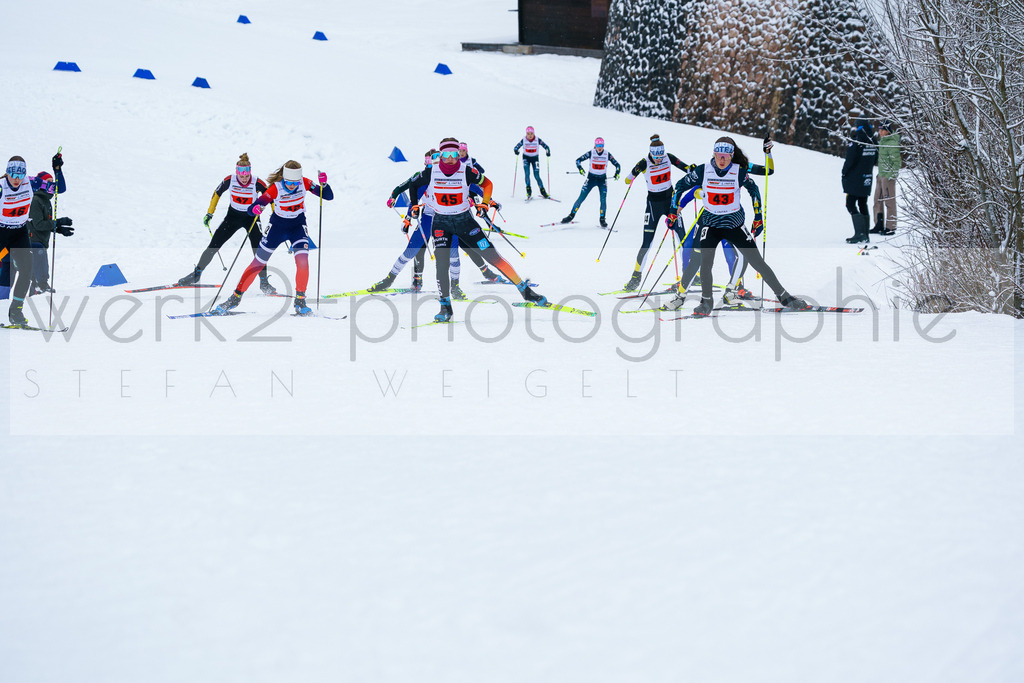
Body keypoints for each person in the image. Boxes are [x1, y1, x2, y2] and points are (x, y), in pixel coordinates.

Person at [659, 137, 808, 316]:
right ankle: (706, 303)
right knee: (704, 263)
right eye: (719, 155)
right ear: (713, 154)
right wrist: (674, 211)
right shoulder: (702, 171)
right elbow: (680, 186)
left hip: (734, 224)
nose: (722, 160)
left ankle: (785, 297)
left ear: (731, 156)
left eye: (726, 156)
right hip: (710, 224)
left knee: (757, 262)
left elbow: (755, 188)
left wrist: (758, 216)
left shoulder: (739, 171)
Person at [409, 137, 546, 322]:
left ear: (459, 154)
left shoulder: (466, 171)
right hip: (441, 223)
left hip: (465, 221)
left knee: (493, 257)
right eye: (445, 154)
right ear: (440, 155)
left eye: (454, 154)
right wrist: (414, 205)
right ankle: (445, 307)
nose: (450, 158)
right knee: (441, 265)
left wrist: (485, 203)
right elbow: (413, 184)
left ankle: (526, 291)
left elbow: (487, 184)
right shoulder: (430, 172)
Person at [376, 149, 504, 297]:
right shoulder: (425, 177)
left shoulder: (453, 176)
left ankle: (455, 287)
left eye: (436, 162)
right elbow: (413, 196)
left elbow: (474, 187)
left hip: (448, 219)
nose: (434, 165)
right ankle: (390, 280)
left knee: (454, 254)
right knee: (412, 251)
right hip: (428, 218)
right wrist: (407, 218)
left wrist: (490, 201)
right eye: (430, 162)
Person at [214, 161, 332, 316]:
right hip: (277, 228)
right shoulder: (276, 188)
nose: (292, 186)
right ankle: (235, 297)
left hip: (297, 227)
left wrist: (324, 185)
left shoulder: (305, 183)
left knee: (303, 262)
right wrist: (256, 208)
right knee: (257, 263)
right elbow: (254, 207)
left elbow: (328, 196)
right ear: (284, 178)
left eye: (295, 182)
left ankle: (300, 301)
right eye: (289, 182)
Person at [176, 154, 277, 293]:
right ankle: (196, 274)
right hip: (233, 217)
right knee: (214, 244)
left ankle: (264, 282)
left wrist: (275, 216)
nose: (244, 179)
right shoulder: (230, 180)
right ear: (237, 173)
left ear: (250, 173)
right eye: (241, 176)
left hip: (251, 218)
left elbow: (271, 197)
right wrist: (210, 213)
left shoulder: (257, 182)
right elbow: (217, 193)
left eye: (247, 176)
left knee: (258, 250)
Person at [621, 134, 694, 291]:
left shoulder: (669, 157)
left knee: (683, 238)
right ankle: (635, 278)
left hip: (671, 203)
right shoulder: (644, 162)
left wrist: (691, 169)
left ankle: (690, 275)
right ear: (651, 154)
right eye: (657, 157)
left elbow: (685, 168)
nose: (660, 159)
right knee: (647, 242)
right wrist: (634, 172)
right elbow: (628, 179)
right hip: (653, 205)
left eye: (661, 156)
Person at [0, 156, 38, 324]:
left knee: (26, 269)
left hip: (19, 233)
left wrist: (57, 170)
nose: (16, 179)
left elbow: (60, 188)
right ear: (7, 172)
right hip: (1, 232)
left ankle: (16, 312)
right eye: (13, 174)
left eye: (20, 174)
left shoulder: (29, 182)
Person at [26, 170, 74, 295]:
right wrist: (57, 222)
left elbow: (45, 223)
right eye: (48, 181)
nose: (51, 184)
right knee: (39, 266)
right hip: (34, 240)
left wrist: (59, 229)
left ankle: (37, 288)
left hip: (41, 239)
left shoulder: (45, 200)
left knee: (41, 265)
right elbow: (38, 224)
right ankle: (39, 286)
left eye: (52, 182)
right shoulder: (36, 200)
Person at [561, 137, 621, 227]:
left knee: (603, 200)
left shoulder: (607, 154)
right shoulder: (591, 152)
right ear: (595, 145)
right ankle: (571, 215)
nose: (600, 147)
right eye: (598, 145)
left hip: (602, 180)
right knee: (581, 197)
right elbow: (578, 160)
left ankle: (602, 219)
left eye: (601, 145)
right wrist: (580, 169)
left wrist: (617, 173)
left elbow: (617, 165)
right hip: (591, 179)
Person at [842, 118, 877, 244]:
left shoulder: (857, 140)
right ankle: (865, 234)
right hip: (866, 177)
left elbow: (850, 160)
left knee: (850, 204)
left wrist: (844, 172)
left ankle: (860, 233)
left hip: (854, 178)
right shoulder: (873, 140)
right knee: (863, 203)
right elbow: (875, 159)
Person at [871, 121, 900, 236]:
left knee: (889, 201)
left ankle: (890, 227)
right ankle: (878, 224)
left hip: (888, 177)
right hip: (881, 175)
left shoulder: (892, 144)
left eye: (882, 130)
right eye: (879, 129)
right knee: (877, 200)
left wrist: (890, 176)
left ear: (888, 131)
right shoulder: (882, 142)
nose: (880, 132)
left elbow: (896, 162)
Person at [512, 126, 551, 199]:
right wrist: (516, 150)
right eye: (528, 134)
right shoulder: (523, 140)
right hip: (526, 158)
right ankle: (528, 191)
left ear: (534, 134)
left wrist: (548, 151)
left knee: (536, 175)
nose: (530, 135)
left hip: (535, 158)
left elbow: (546, 147)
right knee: (527, 174)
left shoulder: (537, 140)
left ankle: (543, 192)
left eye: (531, 134)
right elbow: (516, 147)